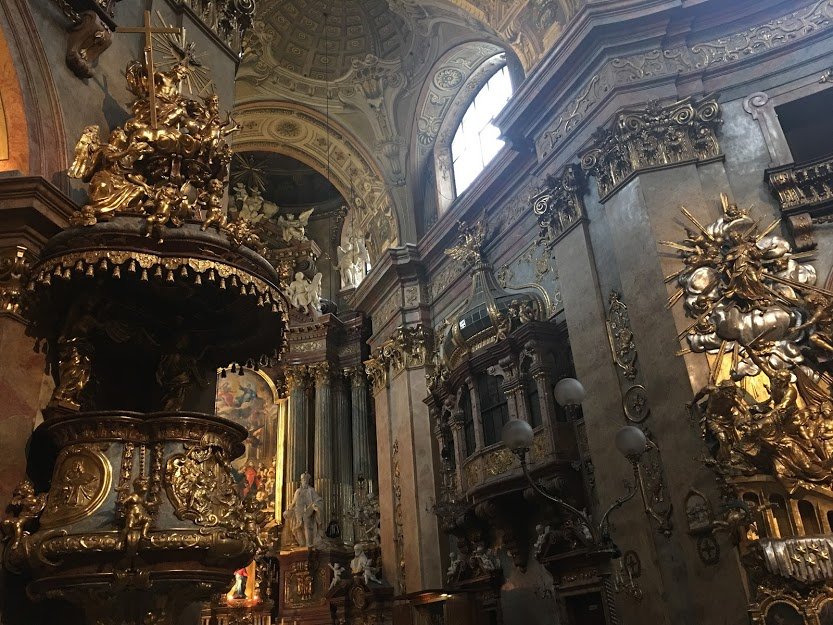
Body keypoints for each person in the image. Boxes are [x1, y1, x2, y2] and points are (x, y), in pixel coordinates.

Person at [283, 473, 323, 547]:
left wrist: (315, 505)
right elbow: (294, 502)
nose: (304, 481)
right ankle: (302, 543)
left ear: (308, 481)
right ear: (301, 481)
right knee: (298, 528)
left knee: (307, 526)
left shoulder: (311, 490)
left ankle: (308, 544)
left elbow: (318, 500)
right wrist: (289, 509)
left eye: (306, 480)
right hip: (298, 511)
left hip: (307, 512)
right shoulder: (298, 491)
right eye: (303, 480)